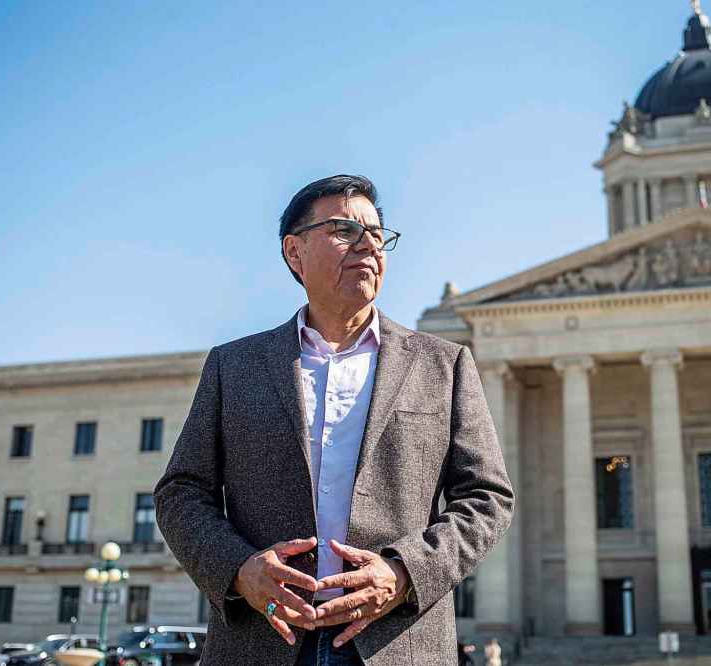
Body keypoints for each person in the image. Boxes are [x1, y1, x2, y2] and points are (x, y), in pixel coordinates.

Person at [155, 174, 515, 665]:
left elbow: (487, 497)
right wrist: (239, 570)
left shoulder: (443, 364)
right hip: (263, 640)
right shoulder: (233, 366)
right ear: (295, 252)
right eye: (345, 230)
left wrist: (404, 574)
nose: (368, 244)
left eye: (377, 234)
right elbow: (181, 492)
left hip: (396, 641)